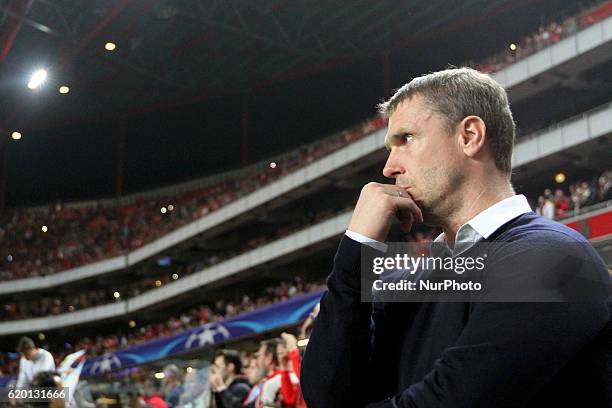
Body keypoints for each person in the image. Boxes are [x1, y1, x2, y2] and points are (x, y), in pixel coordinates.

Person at [301, 67, 612, 407]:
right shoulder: (406, 282)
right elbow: (326, 395)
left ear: (469, 135)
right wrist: (357, 250)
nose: (389, 168)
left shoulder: (555, 260)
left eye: (405, 139)